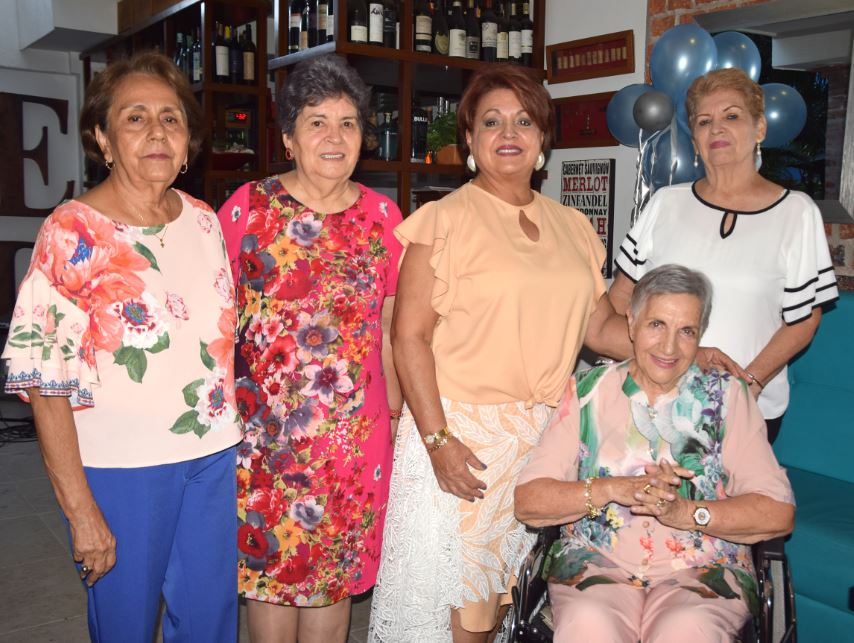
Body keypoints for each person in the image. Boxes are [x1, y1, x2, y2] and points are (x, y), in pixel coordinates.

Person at [368, 64, 631, 643]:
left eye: (523, 120)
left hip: (547, 436)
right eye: (491, 121)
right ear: (469, 139)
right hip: (463, 435)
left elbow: (601, 327)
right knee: (467, 607)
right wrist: (437, 441)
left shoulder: (574, 226)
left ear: (542, 139)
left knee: (524, 595)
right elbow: (408, 336)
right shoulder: (442, 221)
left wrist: (677, 345)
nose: (508, 133)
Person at [1, 52, 241, 641]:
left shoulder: (206, 221)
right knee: (126, 624)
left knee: (212, 622)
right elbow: (43, 379)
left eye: (171, 118)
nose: (157, 131)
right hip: (120, 468)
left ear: (188, 145)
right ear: (102, 139)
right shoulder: (70, 231)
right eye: (135, 118)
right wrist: (81, 510)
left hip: (213, 458)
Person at [216, 54, 403, 643]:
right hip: (263, 436)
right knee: (270, 574)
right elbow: (215, 322)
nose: (334, 136)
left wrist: (397, 417)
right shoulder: (249, 207)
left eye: (348, 123)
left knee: (335, 577)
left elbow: (392, 329)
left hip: (353, 439)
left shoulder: (384, 218)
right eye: (317, 121)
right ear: (291, 136)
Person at [515, 264, 795, 642]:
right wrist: (613, 488)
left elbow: (777, 513)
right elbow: (529, 501)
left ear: (700, 336)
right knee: (588, 622)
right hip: (597, 563)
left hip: (704, 569)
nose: (669, 347)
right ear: (631, 323)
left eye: (686, 332)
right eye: (656, 325)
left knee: (686, 629)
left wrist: (688, 513)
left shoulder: (727, 398)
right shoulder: (587, 392)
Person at [609, 68, 839, 443]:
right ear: (695, 139)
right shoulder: (665, 203)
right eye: (704, 121)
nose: (716, 129)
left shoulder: (796, 213)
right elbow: (620, 300)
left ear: (760, 128)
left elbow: (803, 321)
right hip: (652, 402)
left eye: (731, 116)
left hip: (746, 411)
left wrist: (745, 386)